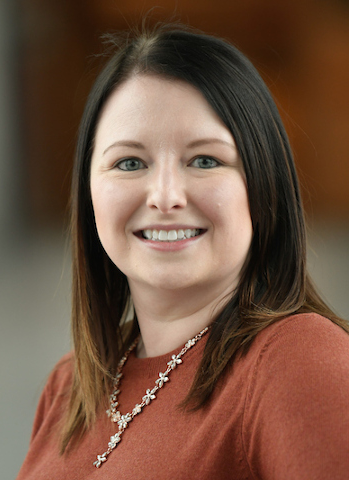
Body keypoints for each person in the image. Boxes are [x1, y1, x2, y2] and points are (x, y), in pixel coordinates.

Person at [17, 24, 349, 480]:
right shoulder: (69, 385)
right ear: (88, 191)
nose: (165, 196)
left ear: (262, 185)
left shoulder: (297, 358)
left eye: (205, 160)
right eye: (129, 162)